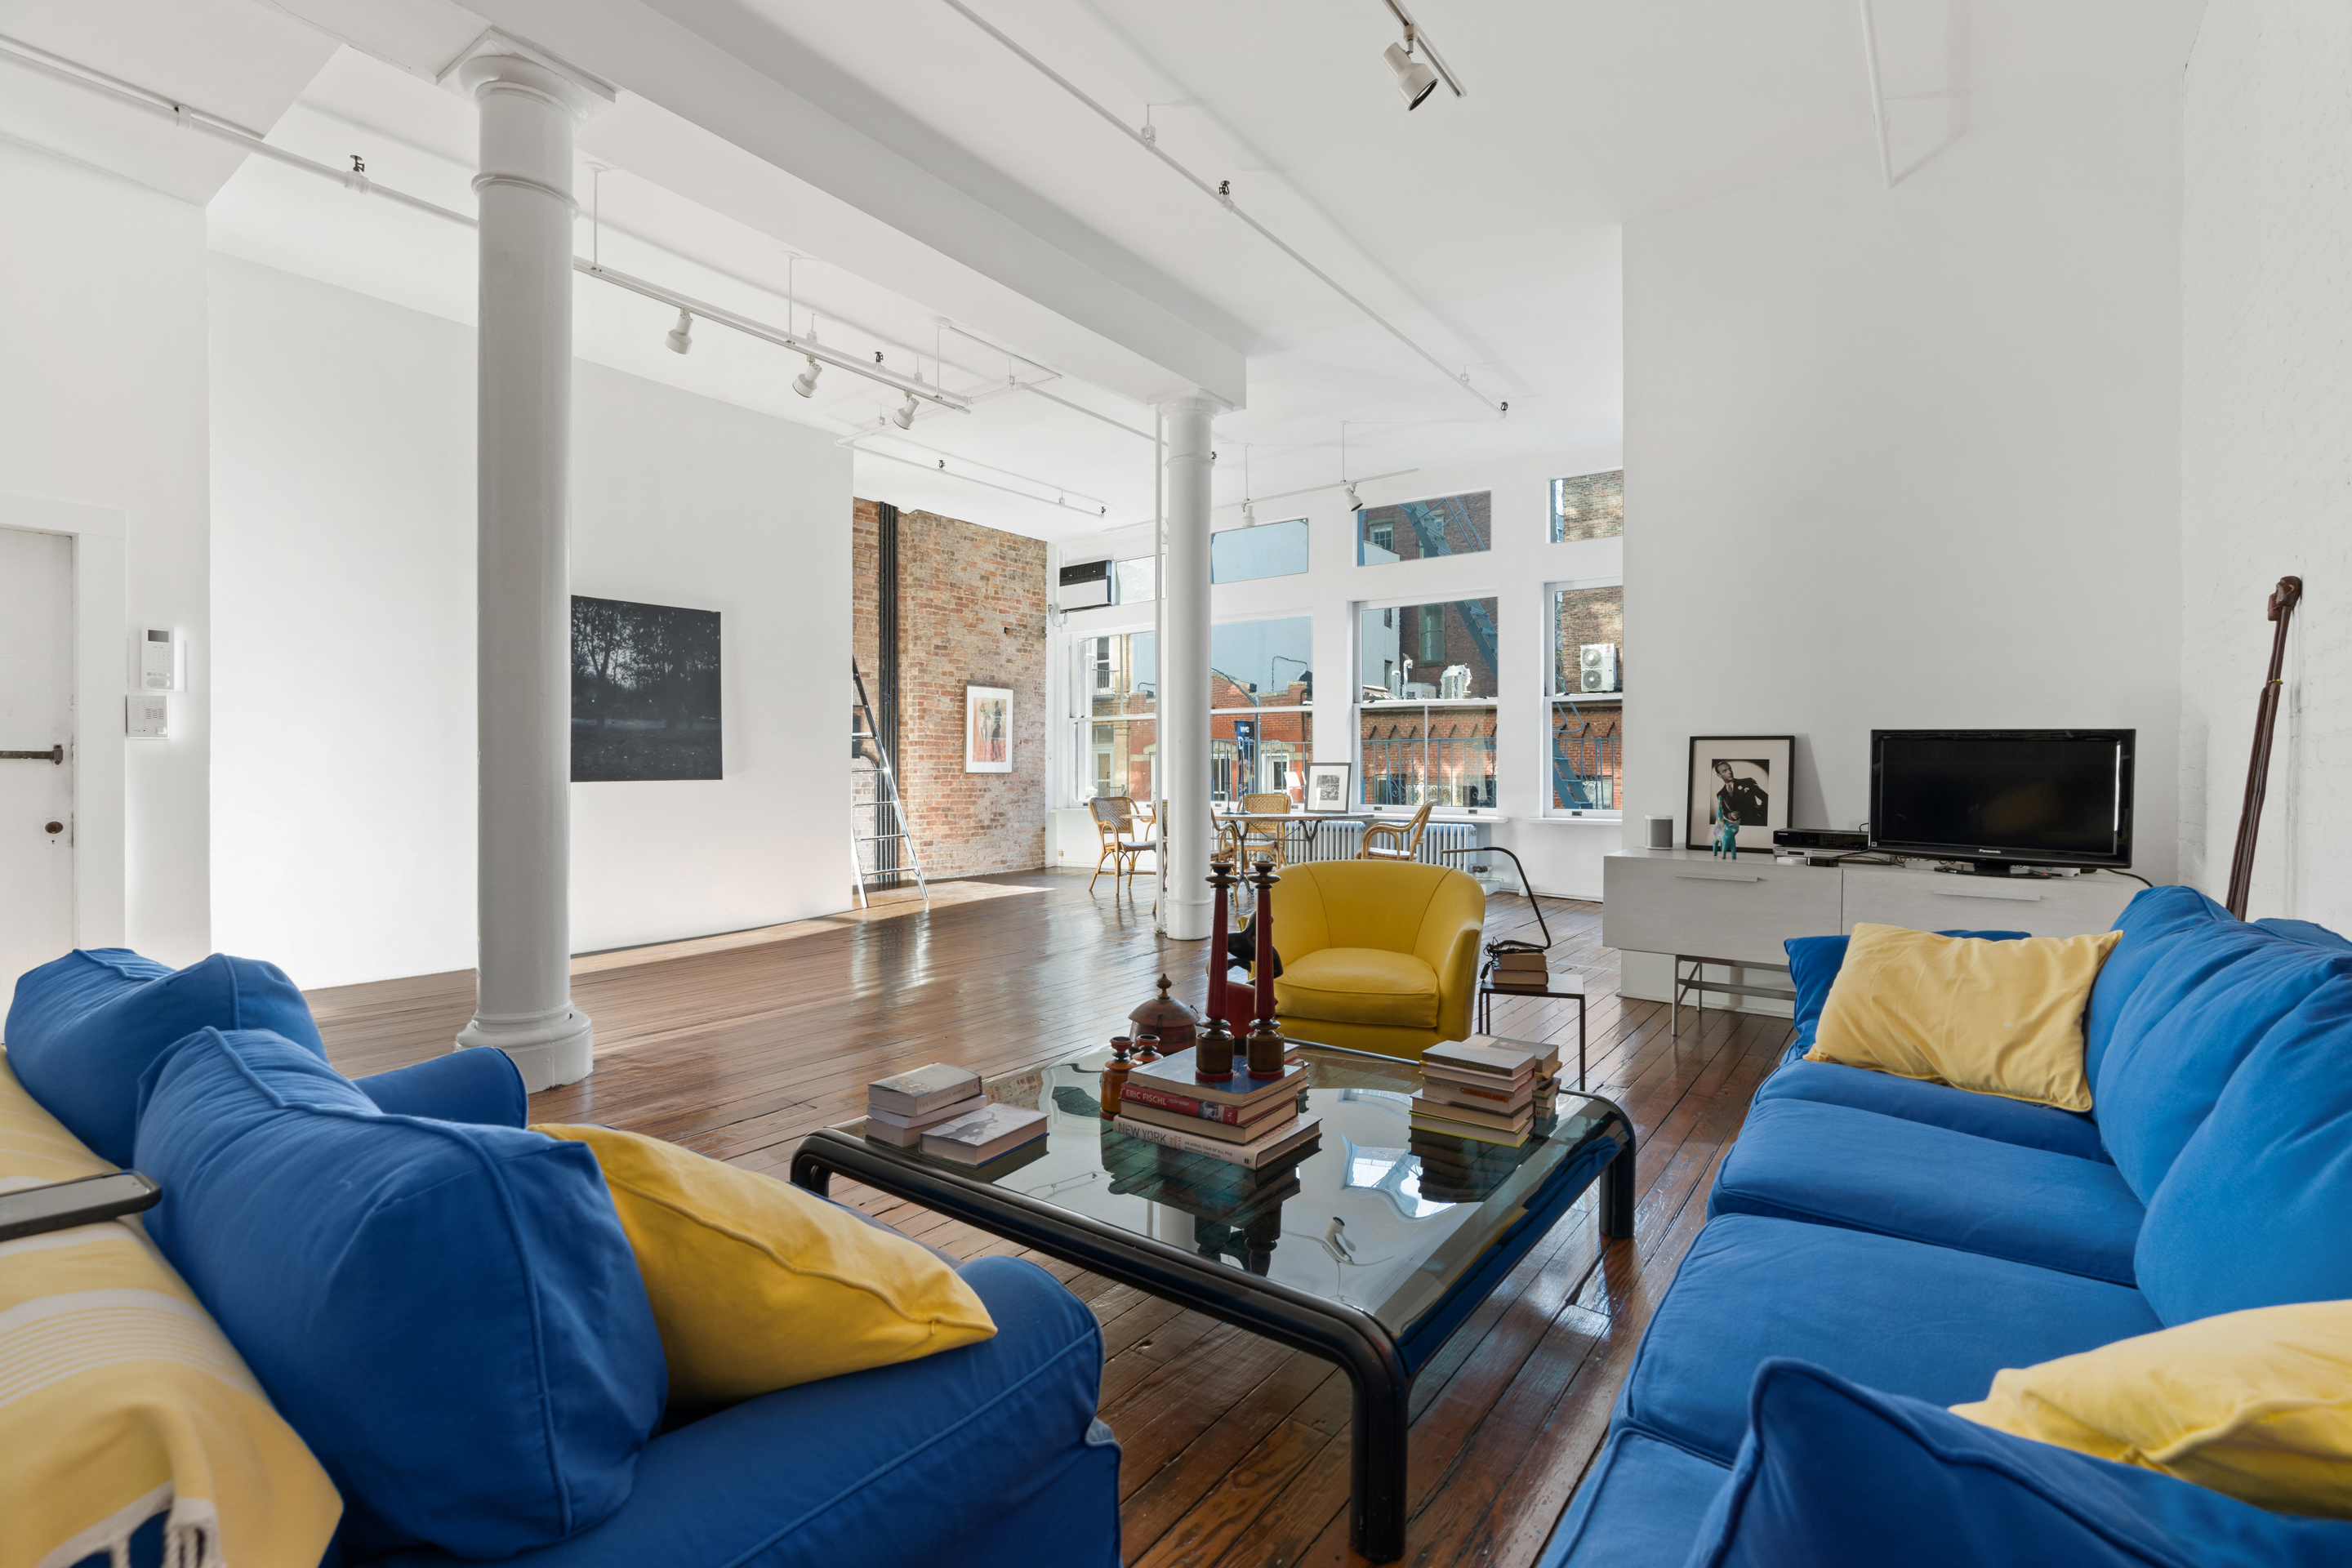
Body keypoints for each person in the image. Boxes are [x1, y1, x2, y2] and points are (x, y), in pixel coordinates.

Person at [1712, 759, 1768, 828]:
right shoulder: (1720, 794)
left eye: (1730, 769)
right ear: (1719, 775)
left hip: (1757, 823)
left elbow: (1767, 798)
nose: (1729, 772)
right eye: (1725, 771)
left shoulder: (1747, 782)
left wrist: (1759, 813)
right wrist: (1731, 815)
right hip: (1739, 827)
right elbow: (1725, 813)